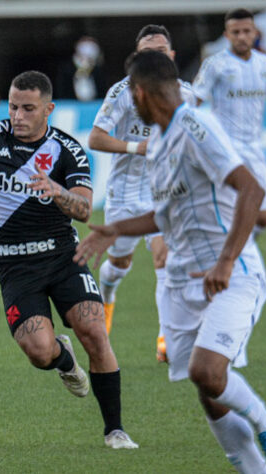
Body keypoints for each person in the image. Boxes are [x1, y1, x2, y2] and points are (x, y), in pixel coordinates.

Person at [75, 50, 266, 473]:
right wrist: (116, 229)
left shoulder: (197, 125)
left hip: (227, 274)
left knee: (207, 370)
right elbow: (166, 215)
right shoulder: (158, 140)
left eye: (131, 93)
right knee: (208, 389)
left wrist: (227, 261)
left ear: (140, 93)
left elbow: (250, 190)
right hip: (181, 281)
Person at [0, 71, 137, 450]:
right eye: (14, 107)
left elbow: (83, 208)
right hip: (15, 266)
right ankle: (64, 362)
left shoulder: (67, 149)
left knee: (95, 332)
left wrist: (57, 190)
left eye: (28, 108)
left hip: (64, 257)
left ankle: (115, 430)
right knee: (40, 352)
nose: (18, 116)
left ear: (49, 109)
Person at [87, 25, 196, 363]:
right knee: (119, 263)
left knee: (165, 259)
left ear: (172, 56)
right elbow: (95, 138)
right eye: (148, 52)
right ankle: (107, 298)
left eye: (160, 51)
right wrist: (139, 147)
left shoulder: (188, 95)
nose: (155, 57)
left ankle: (167, 338)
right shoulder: (123, 92)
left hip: (163, 191)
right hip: (124, 193)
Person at [193, 8, 266, 235]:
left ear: (255, 33)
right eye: (236, 32)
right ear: (227, 35)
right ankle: (230, 258)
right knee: (231, 210)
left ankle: (233, 252)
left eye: (246, 31)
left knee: (263, 217)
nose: (241, 36)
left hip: (254, 146)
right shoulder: (215, 65)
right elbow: (194, 101)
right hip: (225, 148)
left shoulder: (265, 64)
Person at [55, 36, 107, 101]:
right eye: (85, 43)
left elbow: (102, 90)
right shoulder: (66, 68)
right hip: (71, 105)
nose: (88, 48)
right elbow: (61, 89)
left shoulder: (97, 70)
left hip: (94, 106)